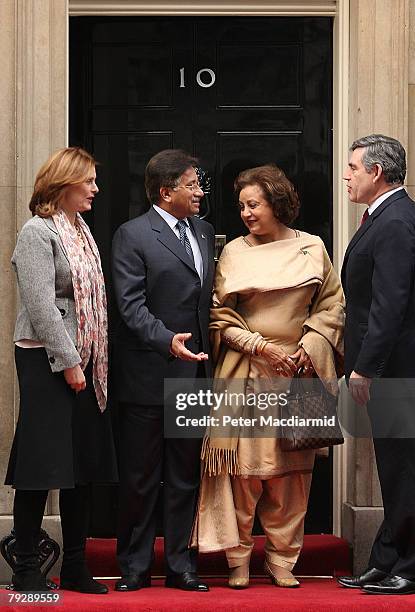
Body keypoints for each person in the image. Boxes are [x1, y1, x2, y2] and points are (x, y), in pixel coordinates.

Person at [193, 164, 344, 588]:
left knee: (292, 478)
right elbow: (219, 314)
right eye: (241, 205)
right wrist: (261, 347)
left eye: (253, 204)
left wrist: (306, 348)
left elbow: (332, 306)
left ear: (277, 204)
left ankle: (282, 561)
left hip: (299, 373)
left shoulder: (312, 247)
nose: (245, 213)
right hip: (246, 372)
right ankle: (238, 559)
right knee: (243, 474)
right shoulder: (235, 252)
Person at [5, 147, 118, 593]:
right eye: (88, 181)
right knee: (41, 464)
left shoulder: (81, 229)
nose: (95, 189)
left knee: (81, 465)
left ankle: (74, 566)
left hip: (89, 361)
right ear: (63, 184)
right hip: (48, 360)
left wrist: (85, 361)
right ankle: (27, 568)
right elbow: (40, 305)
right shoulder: (37, 232)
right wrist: (69, 361)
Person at [112, 149, 215, 592]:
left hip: (195, 378)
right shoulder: (132, 235)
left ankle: (180, 564)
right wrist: (166, 342)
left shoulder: (206, 232)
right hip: (148, 375)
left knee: (184, 476)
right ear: (164, 191)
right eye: (192, 184)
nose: (200, 191)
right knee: (140, 478)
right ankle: (134, 566)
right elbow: (130, 306)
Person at [337, 134, 415, 595]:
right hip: (390, 365)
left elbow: (391, 305)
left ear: (376, 173)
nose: (346, 175)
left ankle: (408, 563)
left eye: (352, 168)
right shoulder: (383, 217)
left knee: (404, 467)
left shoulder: (396, 222)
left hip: (398, 367)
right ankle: (387, 558)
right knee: (393, 466)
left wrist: (366, 367)